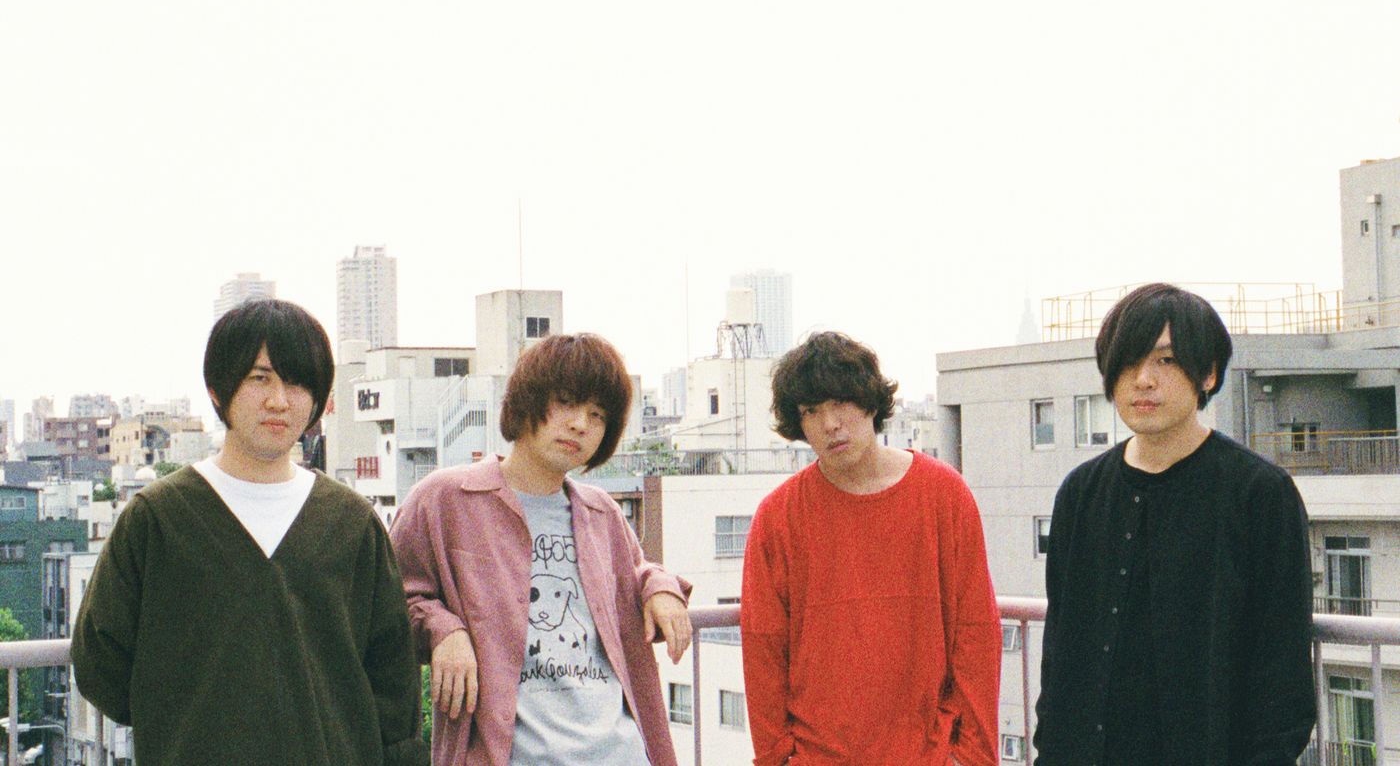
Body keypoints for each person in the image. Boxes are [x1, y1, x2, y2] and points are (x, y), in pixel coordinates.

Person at [72, 299, 427, 766]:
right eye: (260, 378)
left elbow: (393, 680)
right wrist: (178, 719)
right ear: (218, 389)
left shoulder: (351, 523)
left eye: (297, 382)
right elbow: (99, 659)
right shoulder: (158, 518)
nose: (279, 400)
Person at [1033, 283, 1315, 765]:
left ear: (1208, 373)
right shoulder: (1081, 494)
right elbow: (1060, 659)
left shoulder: (1259, 494)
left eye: (1166, 360)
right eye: (1128, 361)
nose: (1143, 379)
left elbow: (1282, 676)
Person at [391, 332, 692, 766]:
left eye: (597, 414)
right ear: (526, 401)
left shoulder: (601, 511)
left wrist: (660, 586)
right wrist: (443, 629)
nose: (580, 424)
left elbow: (634, 574)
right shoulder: (444, 499)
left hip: (622, 753)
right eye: (567, 403)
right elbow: (389, 602)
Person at [741, 331, 1000, 765]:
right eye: (811, 411)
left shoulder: (944, 495)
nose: (829, 423)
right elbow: (762, 652)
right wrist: (778, 760)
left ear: (870, 401)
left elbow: (976, 635)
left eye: (840, 402)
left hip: (929, 755)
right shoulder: (777, 518)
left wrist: (970, 758)